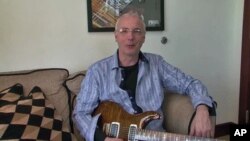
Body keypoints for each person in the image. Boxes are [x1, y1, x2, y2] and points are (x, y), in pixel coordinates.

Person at [73, 8, 216, 141]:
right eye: (124, 31)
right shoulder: (97, 71)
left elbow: (191, 83)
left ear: (143, 37)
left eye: (136, 31)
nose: (130, 36)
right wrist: (102, 139)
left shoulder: (157, 64)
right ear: (116, 36)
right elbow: (80, 113)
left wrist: (202, 108)